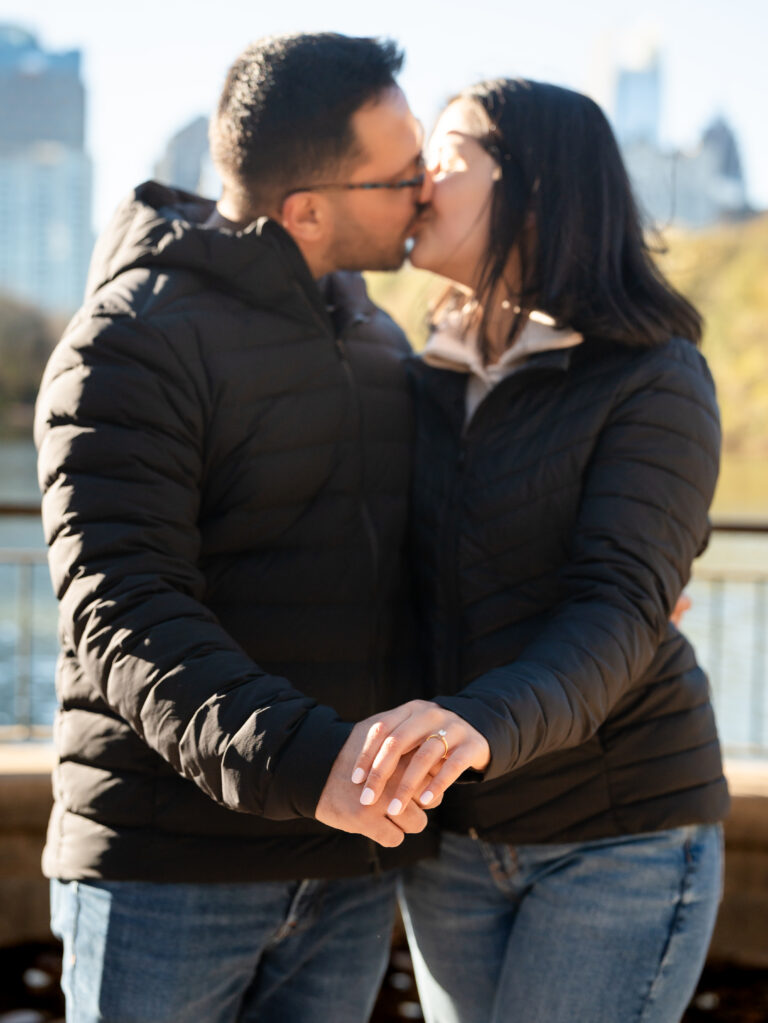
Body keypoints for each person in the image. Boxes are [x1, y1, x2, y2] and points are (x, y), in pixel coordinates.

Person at [35, 32, 435, 1023]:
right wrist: (311, 765)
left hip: (346, 864)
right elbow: (124, 610)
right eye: (402, 176)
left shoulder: (379, 335)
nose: (427, 190)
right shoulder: (130, 340)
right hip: (169, 869)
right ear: (307, 209)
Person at [351, 79, 729, 1023]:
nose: (418, 182)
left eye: (445, 157)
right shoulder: (418, 375)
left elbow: (619, 606)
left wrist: (478, 720)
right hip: (453, 840)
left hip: (616, 832)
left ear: (534, 188)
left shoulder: (654, 377)